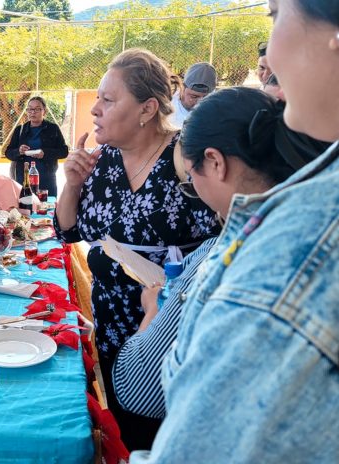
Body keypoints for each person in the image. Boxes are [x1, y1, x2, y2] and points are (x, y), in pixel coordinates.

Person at [130, 1, 339, 461]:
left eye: (276, 15)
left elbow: (159, 413)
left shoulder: (292, 249)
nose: (269, 59)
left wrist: (151, 316)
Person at [111, 87, 330, 446]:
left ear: (214, 161)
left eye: (190, 182)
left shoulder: (225, 257)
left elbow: (138, 388)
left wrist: (151, 311)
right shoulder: (315, 232)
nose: (193, 191)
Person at [54, 48, 220, 450]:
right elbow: (67, 231)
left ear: (147, 109)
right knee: (128, 435)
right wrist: (72, 183)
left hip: (171, 335)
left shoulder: (187, 158)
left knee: (172, 441)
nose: (95, 109)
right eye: (98, 98)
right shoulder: (103, 160)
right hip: (114, 331)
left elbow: (227, 230)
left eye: (108, 100)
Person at [4, 96, 68, 197]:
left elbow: (64, 151)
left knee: (46, 209)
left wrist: (45, 153)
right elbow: (8, 153)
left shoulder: (53, 129)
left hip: (46, 180)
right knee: (25, 209)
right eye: (30, 109)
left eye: (37, 109)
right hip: (24, 181)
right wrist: (19, 151)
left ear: (44, 111)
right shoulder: (20, 130)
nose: (33, 112)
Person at [168, 62, 217, 129]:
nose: (199, 102)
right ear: (182, 88)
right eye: (194, 96)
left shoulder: (217, 110)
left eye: (206, 98)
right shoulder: (167, 107)